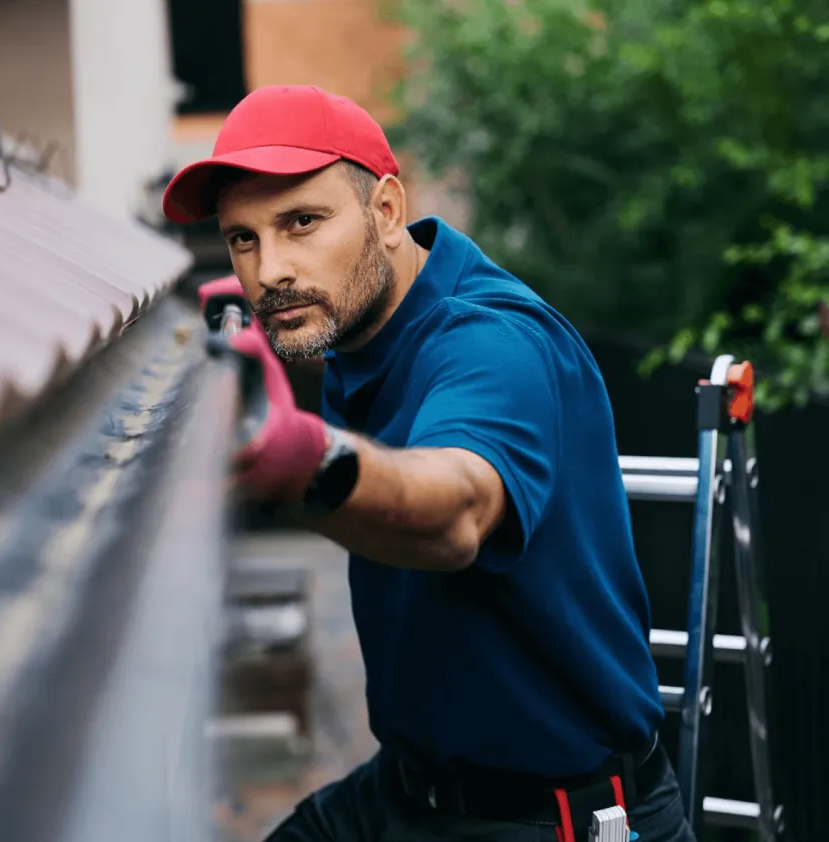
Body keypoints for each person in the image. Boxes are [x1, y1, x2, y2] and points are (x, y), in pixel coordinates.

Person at [162, 85, 694, 842]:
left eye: (301, 222)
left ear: (384, 211)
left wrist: (307, 461)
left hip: (549, 816)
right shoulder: (361, 327)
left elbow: (456, 512)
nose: (270, 269)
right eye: (242, 238)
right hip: (407, 789)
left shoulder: (492, 344)